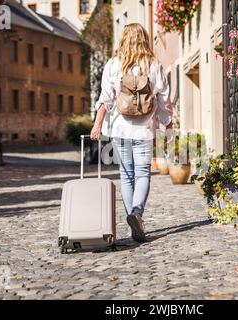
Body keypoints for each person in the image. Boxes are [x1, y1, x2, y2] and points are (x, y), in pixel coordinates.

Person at [91, 23, 173, 243]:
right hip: (144, 130)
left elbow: (105, 98)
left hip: (119, 129)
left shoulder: (113, 65)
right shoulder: (154, 65)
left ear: (123, 39)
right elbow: (164, 100)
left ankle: (132, 216)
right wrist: (169, 125)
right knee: (143, 173)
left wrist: (98, 124)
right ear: (144, 39)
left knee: (126, 176)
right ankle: (137, 214)